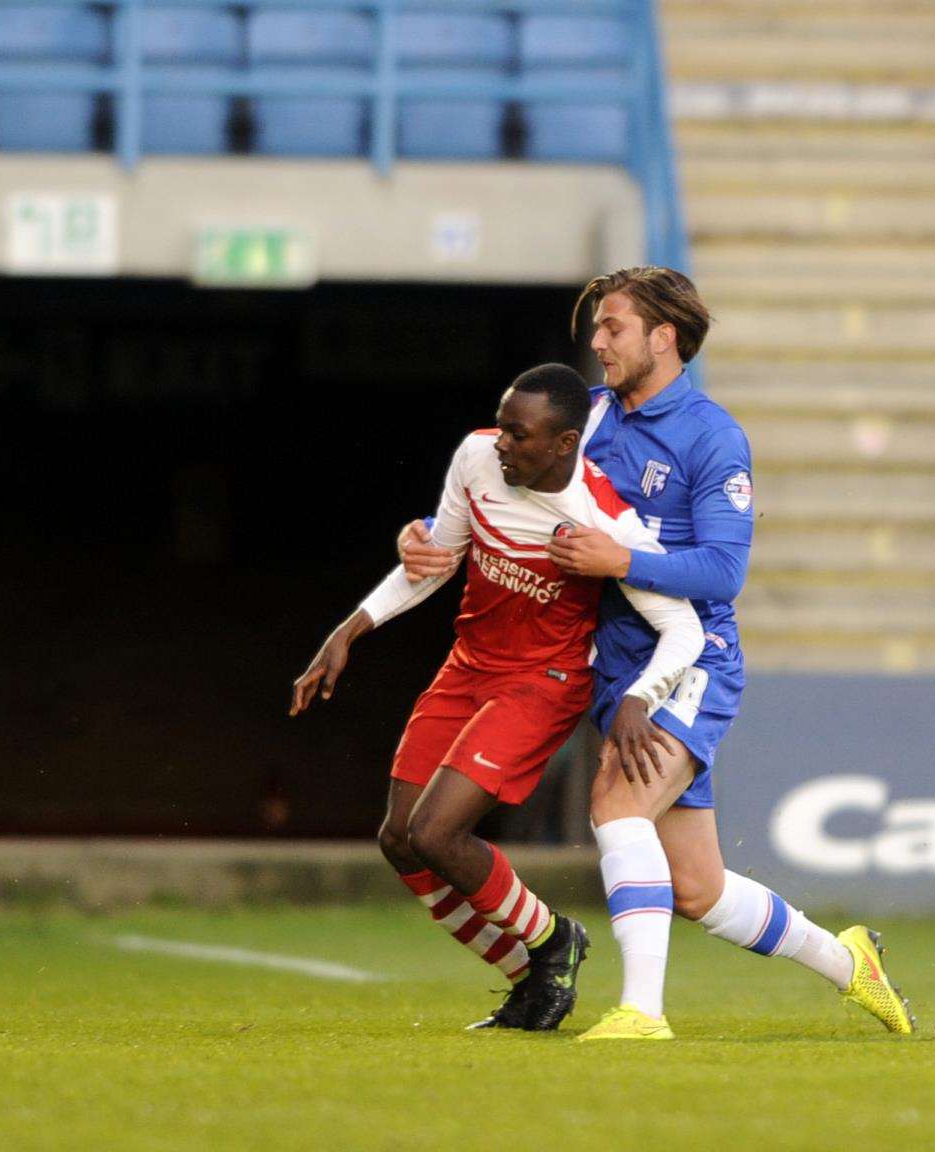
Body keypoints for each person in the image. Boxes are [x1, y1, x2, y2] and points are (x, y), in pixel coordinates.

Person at [400, 267, 915, 1041]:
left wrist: (623, 563)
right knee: (698, 889)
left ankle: (642, 1012)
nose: (598, 342)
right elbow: (510, 499)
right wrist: (429, 544)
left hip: (690, 662)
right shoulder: (591, 420)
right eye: (597, 328)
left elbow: (723, 571)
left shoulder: (711, 436)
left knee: (614, 801)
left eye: (613, 328)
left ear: (663, 338)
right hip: (613, 668)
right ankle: (850, 964)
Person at [291, 363, 705, 1032]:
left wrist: (638, 698)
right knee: (400, 840)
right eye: (502, 425)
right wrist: (354, 626)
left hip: (543, 683)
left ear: (564, 443)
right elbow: (437, 557)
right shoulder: (476, 457)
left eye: (519, 433)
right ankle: (530, 979)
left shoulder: (602, 520)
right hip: (469, 667)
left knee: (437, 832)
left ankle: (553, 942)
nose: (501, 443)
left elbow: (682, 628)